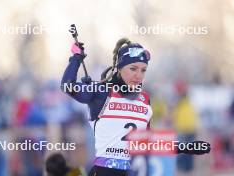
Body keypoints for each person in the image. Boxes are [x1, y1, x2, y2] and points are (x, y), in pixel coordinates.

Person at [61, 38, 210, 176]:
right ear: (119, 68)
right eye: (133, 69)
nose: (139, 75)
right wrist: (76, 59)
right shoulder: (102, 92)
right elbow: (67, 86)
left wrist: (186, 147)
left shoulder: (144, 99)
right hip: (105, 171)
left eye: (143, 70)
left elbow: (148, 143)